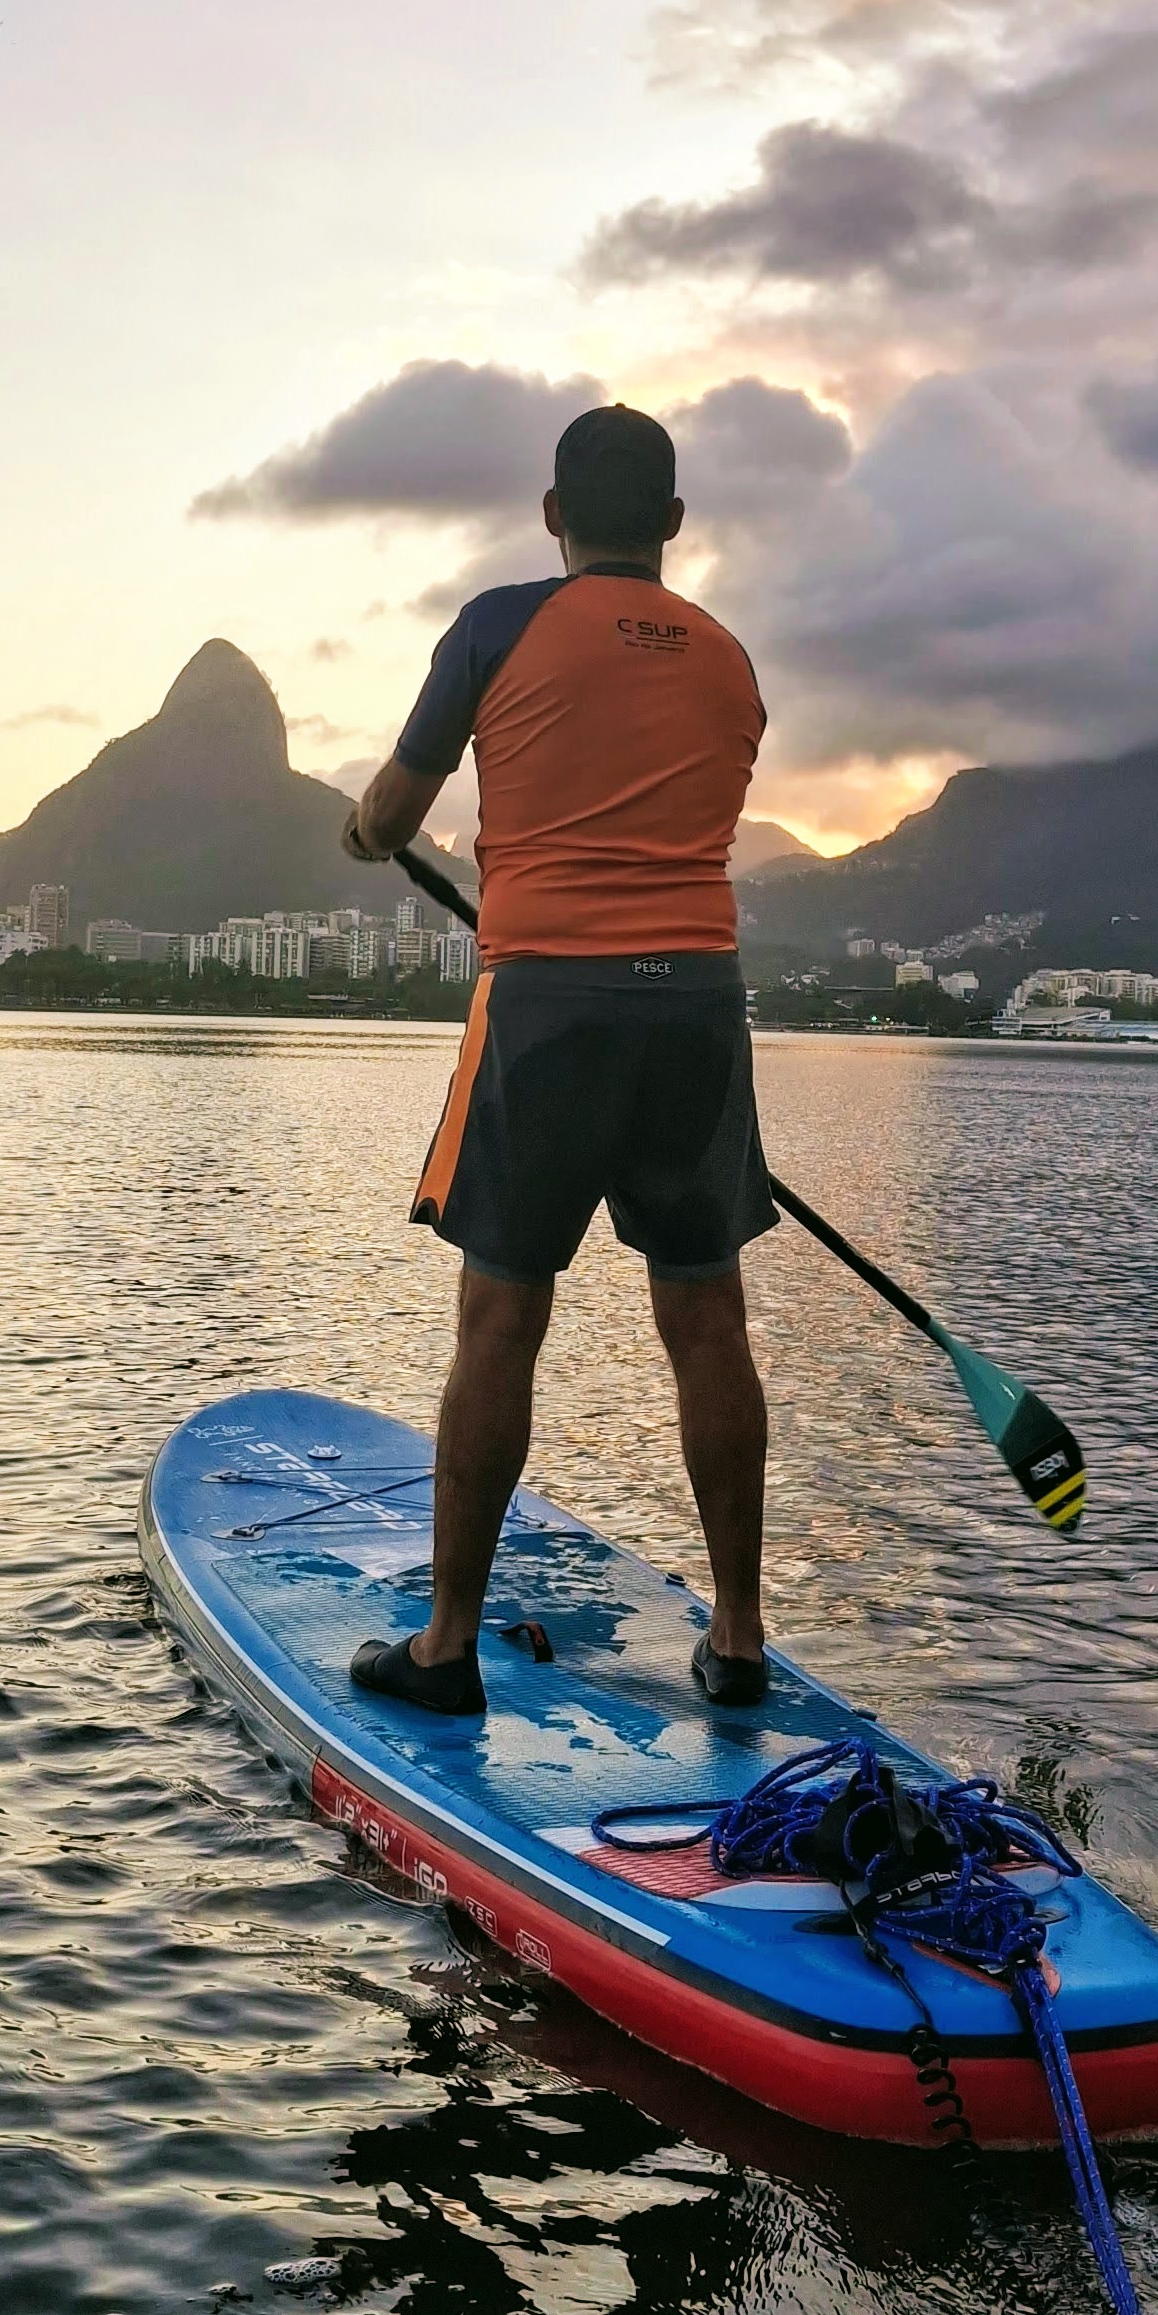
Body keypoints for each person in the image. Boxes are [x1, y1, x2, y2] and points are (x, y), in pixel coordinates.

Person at [339, 402, 777, 1719]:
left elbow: (392, 814)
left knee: (502, 1317)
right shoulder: (732, 662)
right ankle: (743, 1640)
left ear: (552, 516)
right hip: (697, 1006)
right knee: (708, 1319)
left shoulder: (495, 624)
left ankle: (447, 1646)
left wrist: (365, 835)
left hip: (546, 1007)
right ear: (676, 527)